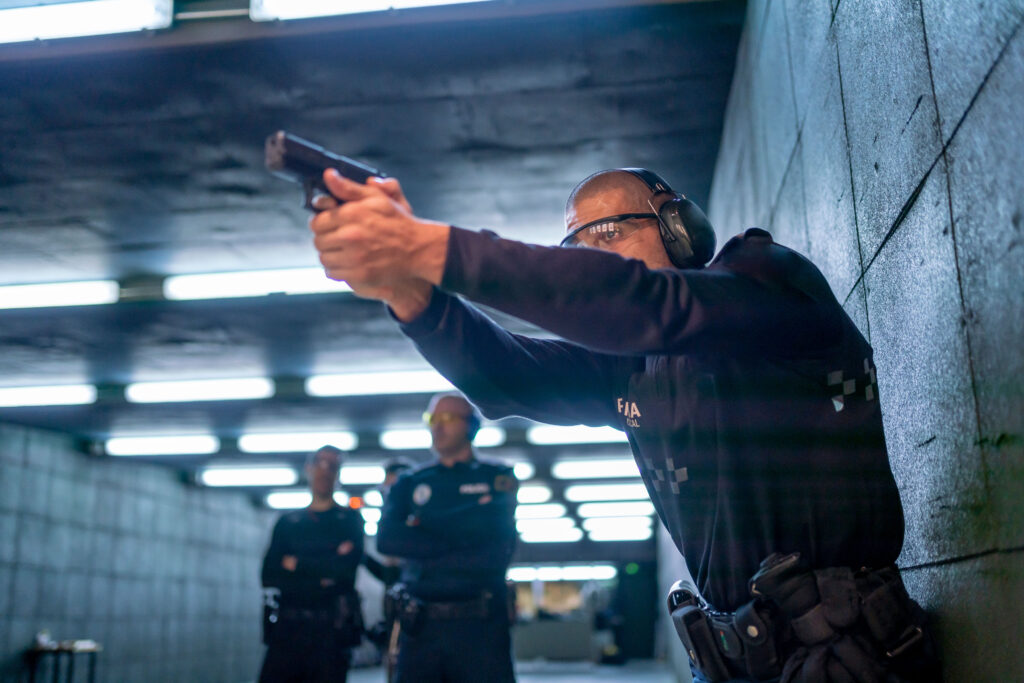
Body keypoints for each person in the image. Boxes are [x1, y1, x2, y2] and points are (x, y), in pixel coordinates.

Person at [307, 167, 940, 682]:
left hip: (846, 656)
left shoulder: (767, 280)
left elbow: (645, 304)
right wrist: (407, 290)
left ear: (678, 227)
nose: (591, 258)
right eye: (575, 249)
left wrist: (431, 246)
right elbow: (508, 376)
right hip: (741, 660)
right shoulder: (633, 368)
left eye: (608, 232)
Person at [375, 392, 518, 683]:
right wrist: (466, 524)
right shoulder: (410, 481)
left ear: (471, 426)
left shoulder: (497, 477)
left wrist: (423, 529)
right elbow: (387, 540)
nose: (437, 426)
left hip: (480, 630)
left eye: (448, 418)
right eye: (432, 418)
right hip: (421, 629)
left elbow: (496, 550)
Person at [259, 445, 365, 683]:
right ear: (308, 468)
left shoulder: (350, 521)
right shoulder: (288, 522)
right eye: (320, 463)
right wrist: (325, 567)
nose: (324, 471)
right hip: (287, 632)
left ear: (338, 474)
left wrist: (296, 564)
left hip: (331, 635)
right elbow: (269, 574)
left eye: (332, 466)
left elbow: (344, 572)